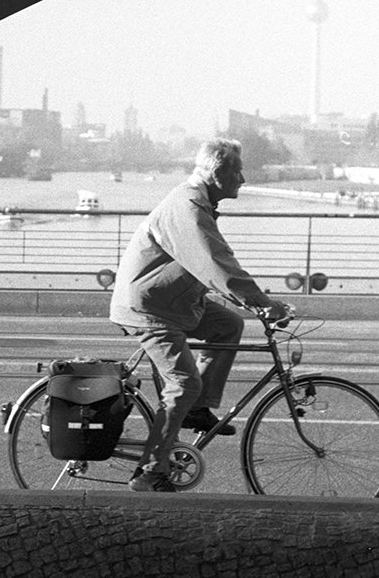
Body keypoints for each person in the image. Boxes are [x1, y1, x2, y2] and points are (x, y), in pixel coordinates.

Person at [110, 138, 289, 492]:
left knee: (228, 325)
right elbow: (215, 264)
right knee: (183, 384)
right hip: (149, 307)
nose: (243, 179)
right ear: (217, 173)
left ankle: (197, 409)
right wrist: (263, 303)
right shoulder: (188, 207)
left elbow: (212, 264)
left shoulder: (199, 203)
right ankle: (150, 471)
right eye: (238, 172)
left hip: (174, 301)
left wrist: (251, 302)